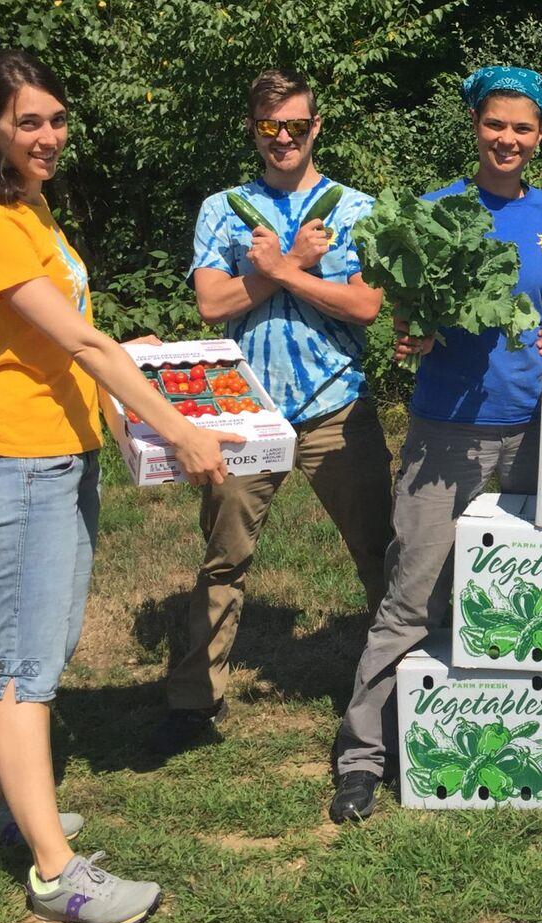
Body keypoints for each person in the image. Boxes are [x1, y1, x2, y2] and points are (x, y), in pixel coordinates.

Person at [0, 49, 237, 923]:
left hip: (56, 455)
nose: (47, 136)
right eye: (27, 121)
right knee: (29, 669)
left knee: (28, 651)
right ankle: (53, 872)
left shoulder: (25, 206)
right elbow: (83, 346)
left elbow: (74, 334)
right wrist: (177, 427)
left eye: (56, 119)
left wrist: (128, 367)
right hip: (20, 465)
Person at [328, 65, 542, 821]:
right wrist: (411, 330)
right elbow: (395, 308)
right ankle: (363, 757)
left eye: (523, 127)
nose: (508, 138)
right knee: (413, 596)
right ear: (475, 125)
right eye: (495, 124)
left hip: (533, 426)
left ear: (541, 135)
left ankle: (521, 737)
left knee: (531, 596)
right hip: (446, 432)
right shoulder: (435, 210)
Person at [148, 68, 393, 756]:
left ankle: (402, 686)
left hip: (336, 406)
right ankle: (195, 701)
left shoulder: (355, 209)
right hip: (241, 410)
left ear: (316, 127)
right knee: (224, 558)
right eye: (268, 127)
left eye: (295, 125)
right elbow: (211, 304)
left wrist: (277, 272)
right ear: (254, 131)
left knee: (379, 553)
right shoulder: (222, 208)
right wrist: (290, 266)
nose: (282, 139)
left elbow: (366, 306)